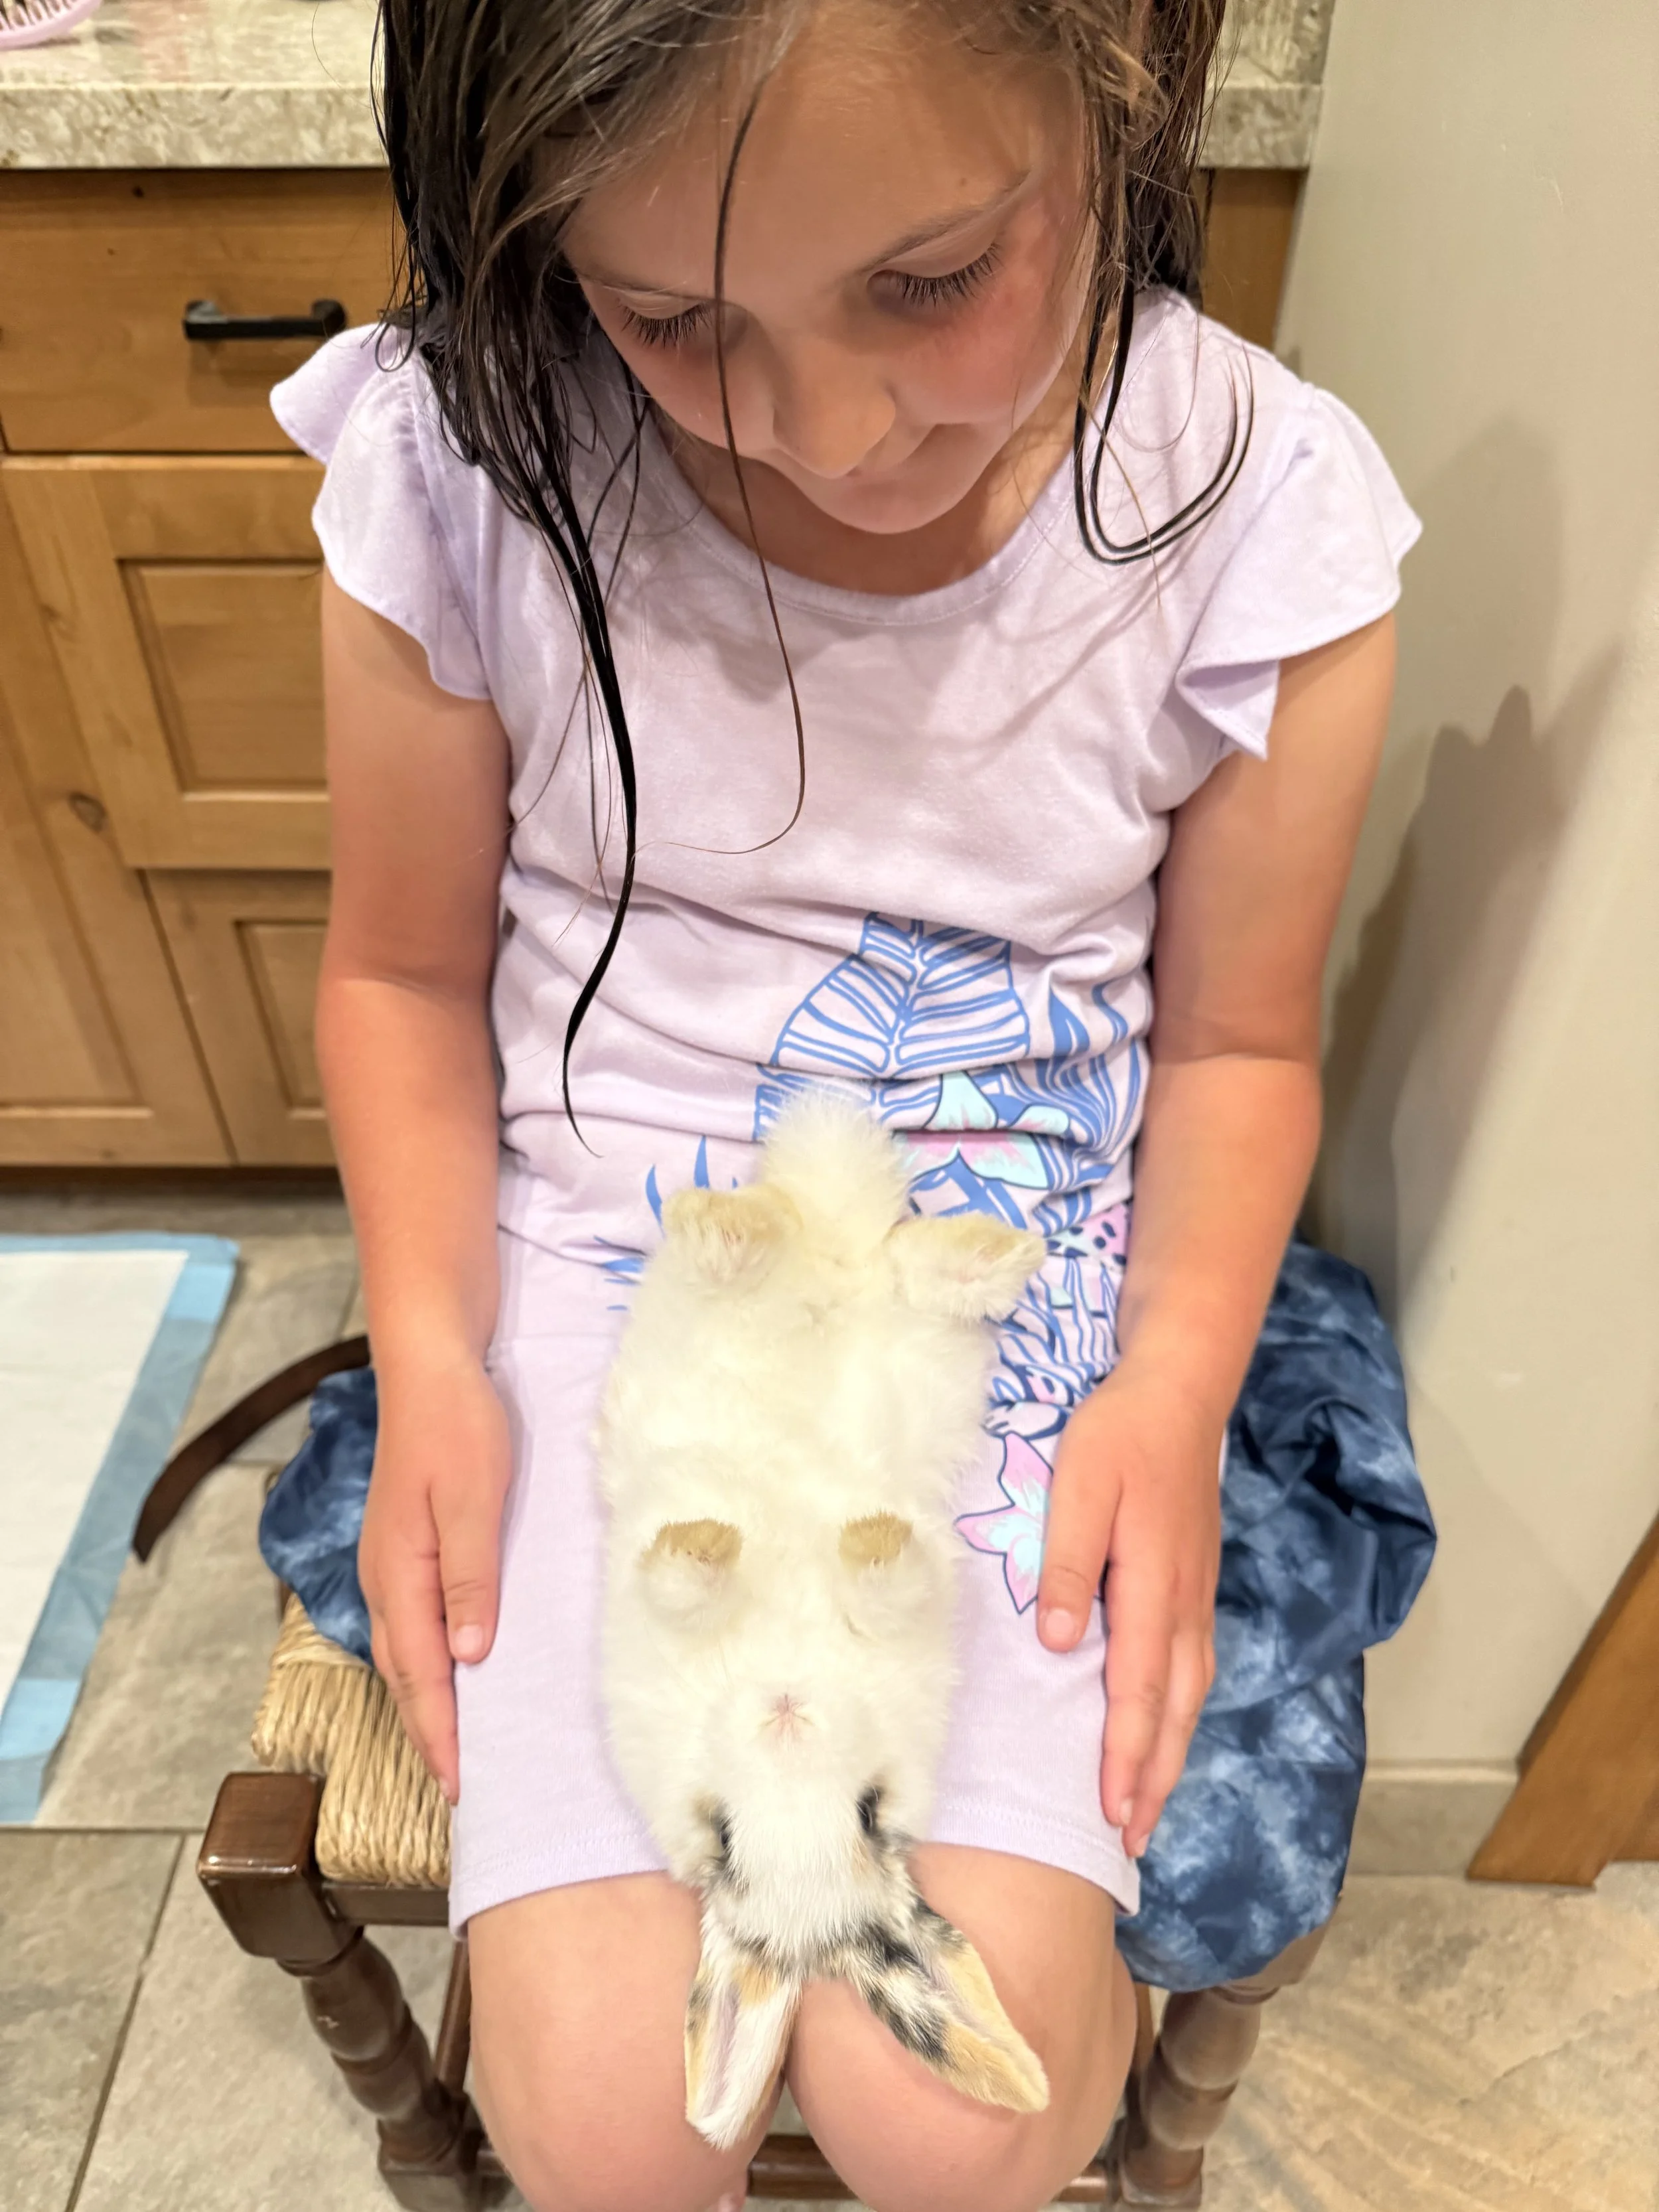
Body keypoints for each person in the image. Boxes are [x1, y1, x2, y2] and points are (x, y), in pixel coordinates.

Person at [277, 1, 1417, 2205]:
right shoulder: (461, 459)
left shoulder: (1247, 513)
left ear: (1121, 72)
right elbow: (402, 975)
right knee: (615, 2131)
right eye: (670, 318)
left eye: (926, 280)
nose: (821, 429)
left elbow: (1237, 1044)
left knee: (958, 2116)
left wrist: (1170, 1395)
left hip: (999, 1271)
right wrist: (430, 1346)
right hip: (622, 1253)